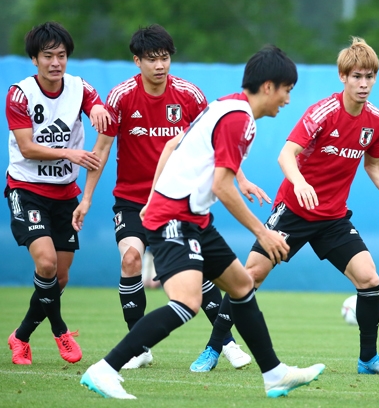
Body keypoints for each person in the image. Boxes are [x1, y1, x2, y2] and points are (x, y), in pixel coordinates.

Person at [80, 45, 325, 400]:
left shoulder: (226, 105)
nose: (288, 100)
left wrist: (152, 198)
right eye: (287, 90)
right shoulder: (238, 117)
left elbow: (173, 146)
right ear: (269, 86)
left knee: (241, 285)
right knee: (187, 303)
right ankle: (104, 369)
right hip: (176, 218)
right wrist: (263, 232)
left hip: (192, 217)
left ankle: (274, 374)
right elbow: (221, 186)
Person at [195, 36, 379, 376]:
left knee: (369, 278)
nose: (363, 84)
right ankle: (213, 348)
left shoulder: (377, 121)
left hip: (332, 218)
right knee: (249, 276)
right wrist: (299, 182)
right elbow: (286, 153)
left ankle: (369, 359)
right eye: (356, 76)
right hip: (294, 212)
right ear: (343, 77)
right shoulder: (323, 112)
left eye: (369, 77)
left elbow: (374, 166)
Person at [71, 24, 251, 370]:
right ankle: (139, 349)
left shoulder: (189, 95)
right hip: (132, 201)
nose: (160, 65)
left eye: (165, 57)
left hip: (176, 201)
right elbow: (103, 148)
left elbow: (217, 142)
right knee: (130, 261)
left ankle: (226, 343)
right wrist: (87, 198)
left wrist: (239, 178)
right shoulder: (121, 96)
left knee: (198, 271)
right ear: (136, 60)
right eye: (151, 59)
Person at [6, 21, 110, 365]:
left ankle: (20, 336)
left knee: (60, 276)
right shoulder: (20, 93)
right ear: (34, 59)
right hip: (27, 189)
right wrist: (69, 153)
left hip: (65, 195)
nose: (55, 62)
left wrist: (97, 109)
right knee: (47, 263)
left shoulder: (80, 88)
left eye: (61, 55)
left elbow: (97, 108)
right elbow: (27, 147)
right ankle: (61, 331)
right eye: (48, 56)